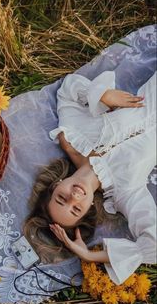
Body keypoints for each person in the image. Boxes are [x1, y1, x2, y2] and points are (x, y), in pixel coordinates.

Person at [24, 70, 156, 285]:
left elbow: (67, 89)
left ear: (57, 184)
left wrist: (102, 95)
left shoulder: (73, 136)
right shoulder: (125, 192)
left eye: (61, 198)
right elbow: (153, 244)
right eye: (76, 208)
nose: (74, 197)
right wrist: (89, 256)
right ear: (88, 209)